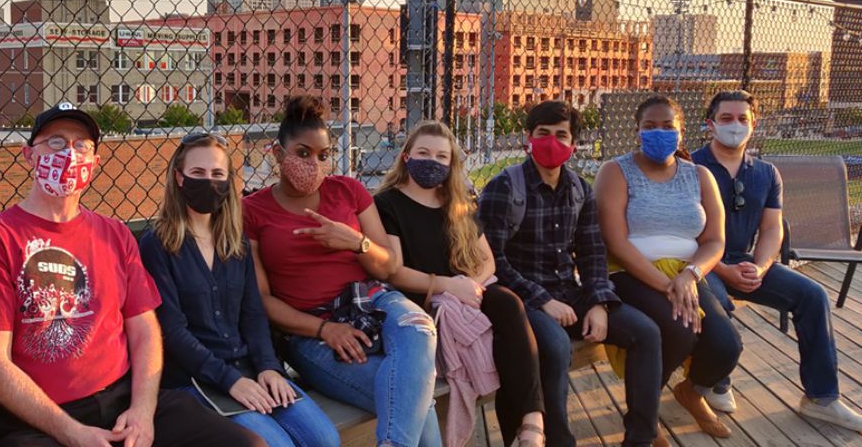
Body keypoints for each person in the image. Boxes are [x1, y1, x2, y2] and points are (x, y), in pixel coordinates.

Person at [0, 103, 263, 447]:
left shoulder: (115, 235)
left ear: (94, 162)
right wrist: (71, 432)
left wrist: (143, 411)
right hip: (37, 422)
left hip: (121, 401)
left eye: (82, 146)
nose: (70, 155)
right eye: (56, 143)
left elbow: (145, 331)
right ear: (29, 155)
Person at [242, 95, 442, 447]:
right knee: (412, 391)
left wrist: (354, 242)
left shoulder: (347, 190)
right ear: (276, 153)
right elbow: (261, 300)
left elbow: (390, 266)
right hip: (310, 331)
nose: (314, 164)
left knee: (419, 328)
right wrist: (325, 328)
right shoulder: (253, 211)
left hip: (370, 301)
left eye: (323, 155)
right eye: (302, 153)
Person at [479, 100, 667, 447]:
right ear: (528, 139)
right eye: (543, 134)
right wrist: (542, 300)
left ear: (573, 144)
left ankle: (641, 438)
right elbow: (492, 261)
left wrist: (598, 301)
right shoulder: (504, 187)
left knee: (646, 333)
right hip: (523, 298)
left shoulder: (580, 188)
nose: (551, 141)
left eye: (561, 135)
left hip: (570, 289)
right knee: (555, 346)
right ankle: (557, 440)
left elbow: (593, 251)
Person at [138, 132, 340, 447]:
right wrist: (231, 381)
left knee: (325, 439)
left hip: (249, 367)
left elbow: (253, 315)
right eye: (198, 173)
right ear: (179, 177)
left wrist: (270, 368)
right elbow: (172, 332)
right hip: (198, 379)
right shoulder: (157, 245)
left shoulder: (236, 242)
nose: (209, 181)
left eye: (218, 174)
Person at [693, 90, 862, 431]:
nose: (735, 126)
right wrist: (722, 268)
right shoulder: (690, 167)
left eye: (743, 119)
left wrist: (761, 266)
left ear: (754, 125)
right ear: (710, 124)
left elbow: (772, 229)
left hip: (746, 260)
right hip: (701, 261)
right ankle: (716, 381)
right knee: (718, 301)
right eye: (726, 118)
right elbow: (682, 230)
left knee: (812, 296)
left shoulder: (767, 173)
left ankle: (821, 398)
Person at [375, 121, 545, 447]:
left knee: (509, 304)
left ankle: (531, 424)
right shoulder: (388, 203)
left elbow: (487, 260)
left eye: (442, 157)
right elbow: (393, 272)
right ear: (406, 156)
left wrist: (473, 286)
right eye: (423, 153)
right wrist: (450, 287)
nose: (432, 162)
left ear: (451, 164)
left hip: (467, 289)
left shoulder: (456, 201)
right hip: (424, 297)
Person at [593, 94, 742, 439]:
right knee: (679, 329)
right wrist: (665, 284)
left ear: (681, 131)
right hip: (630, 271)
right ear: (637, 131)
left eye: (667, 126)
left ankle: (690, 391)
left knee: (726, 345)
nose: (658, 133)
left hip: (686, 273)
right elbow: (615, 241)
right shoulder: (615, 171)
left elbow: (715, 241)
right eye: (649, 127)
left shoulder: (699, 176)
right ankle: (644, 413)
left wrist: (690, 276)